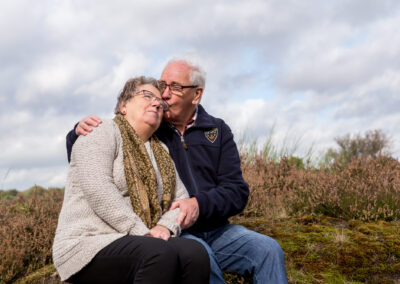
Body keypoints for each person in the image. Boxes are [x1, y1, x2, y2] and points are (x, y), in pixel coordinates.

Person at [66, 59, 288, 283]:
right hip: (177, 230)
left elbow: (237, 191)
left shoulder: (217, 130)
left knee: (268, 249)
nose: (164, 95)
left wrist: (199, 204)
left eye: (175, 87)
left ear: (197, 94)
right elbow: (112, 140)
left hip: (219, 230)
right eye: (162, 86)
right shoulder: (152, 126)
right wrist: (76, 133)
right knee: (200, 257)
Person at [54, 76, 210, 284]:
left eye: (160, 102)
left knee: (195, 253)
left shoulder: (160, 151)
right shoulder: (100, 131)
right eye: (147, 96)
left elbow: (180, 200)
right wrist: (142, 232)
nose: (156, 103)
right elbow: (98, 189)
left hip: (139, 240)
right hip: (88, 242)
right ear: (124, 105)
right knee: (159, 254)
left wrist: (165, 228)